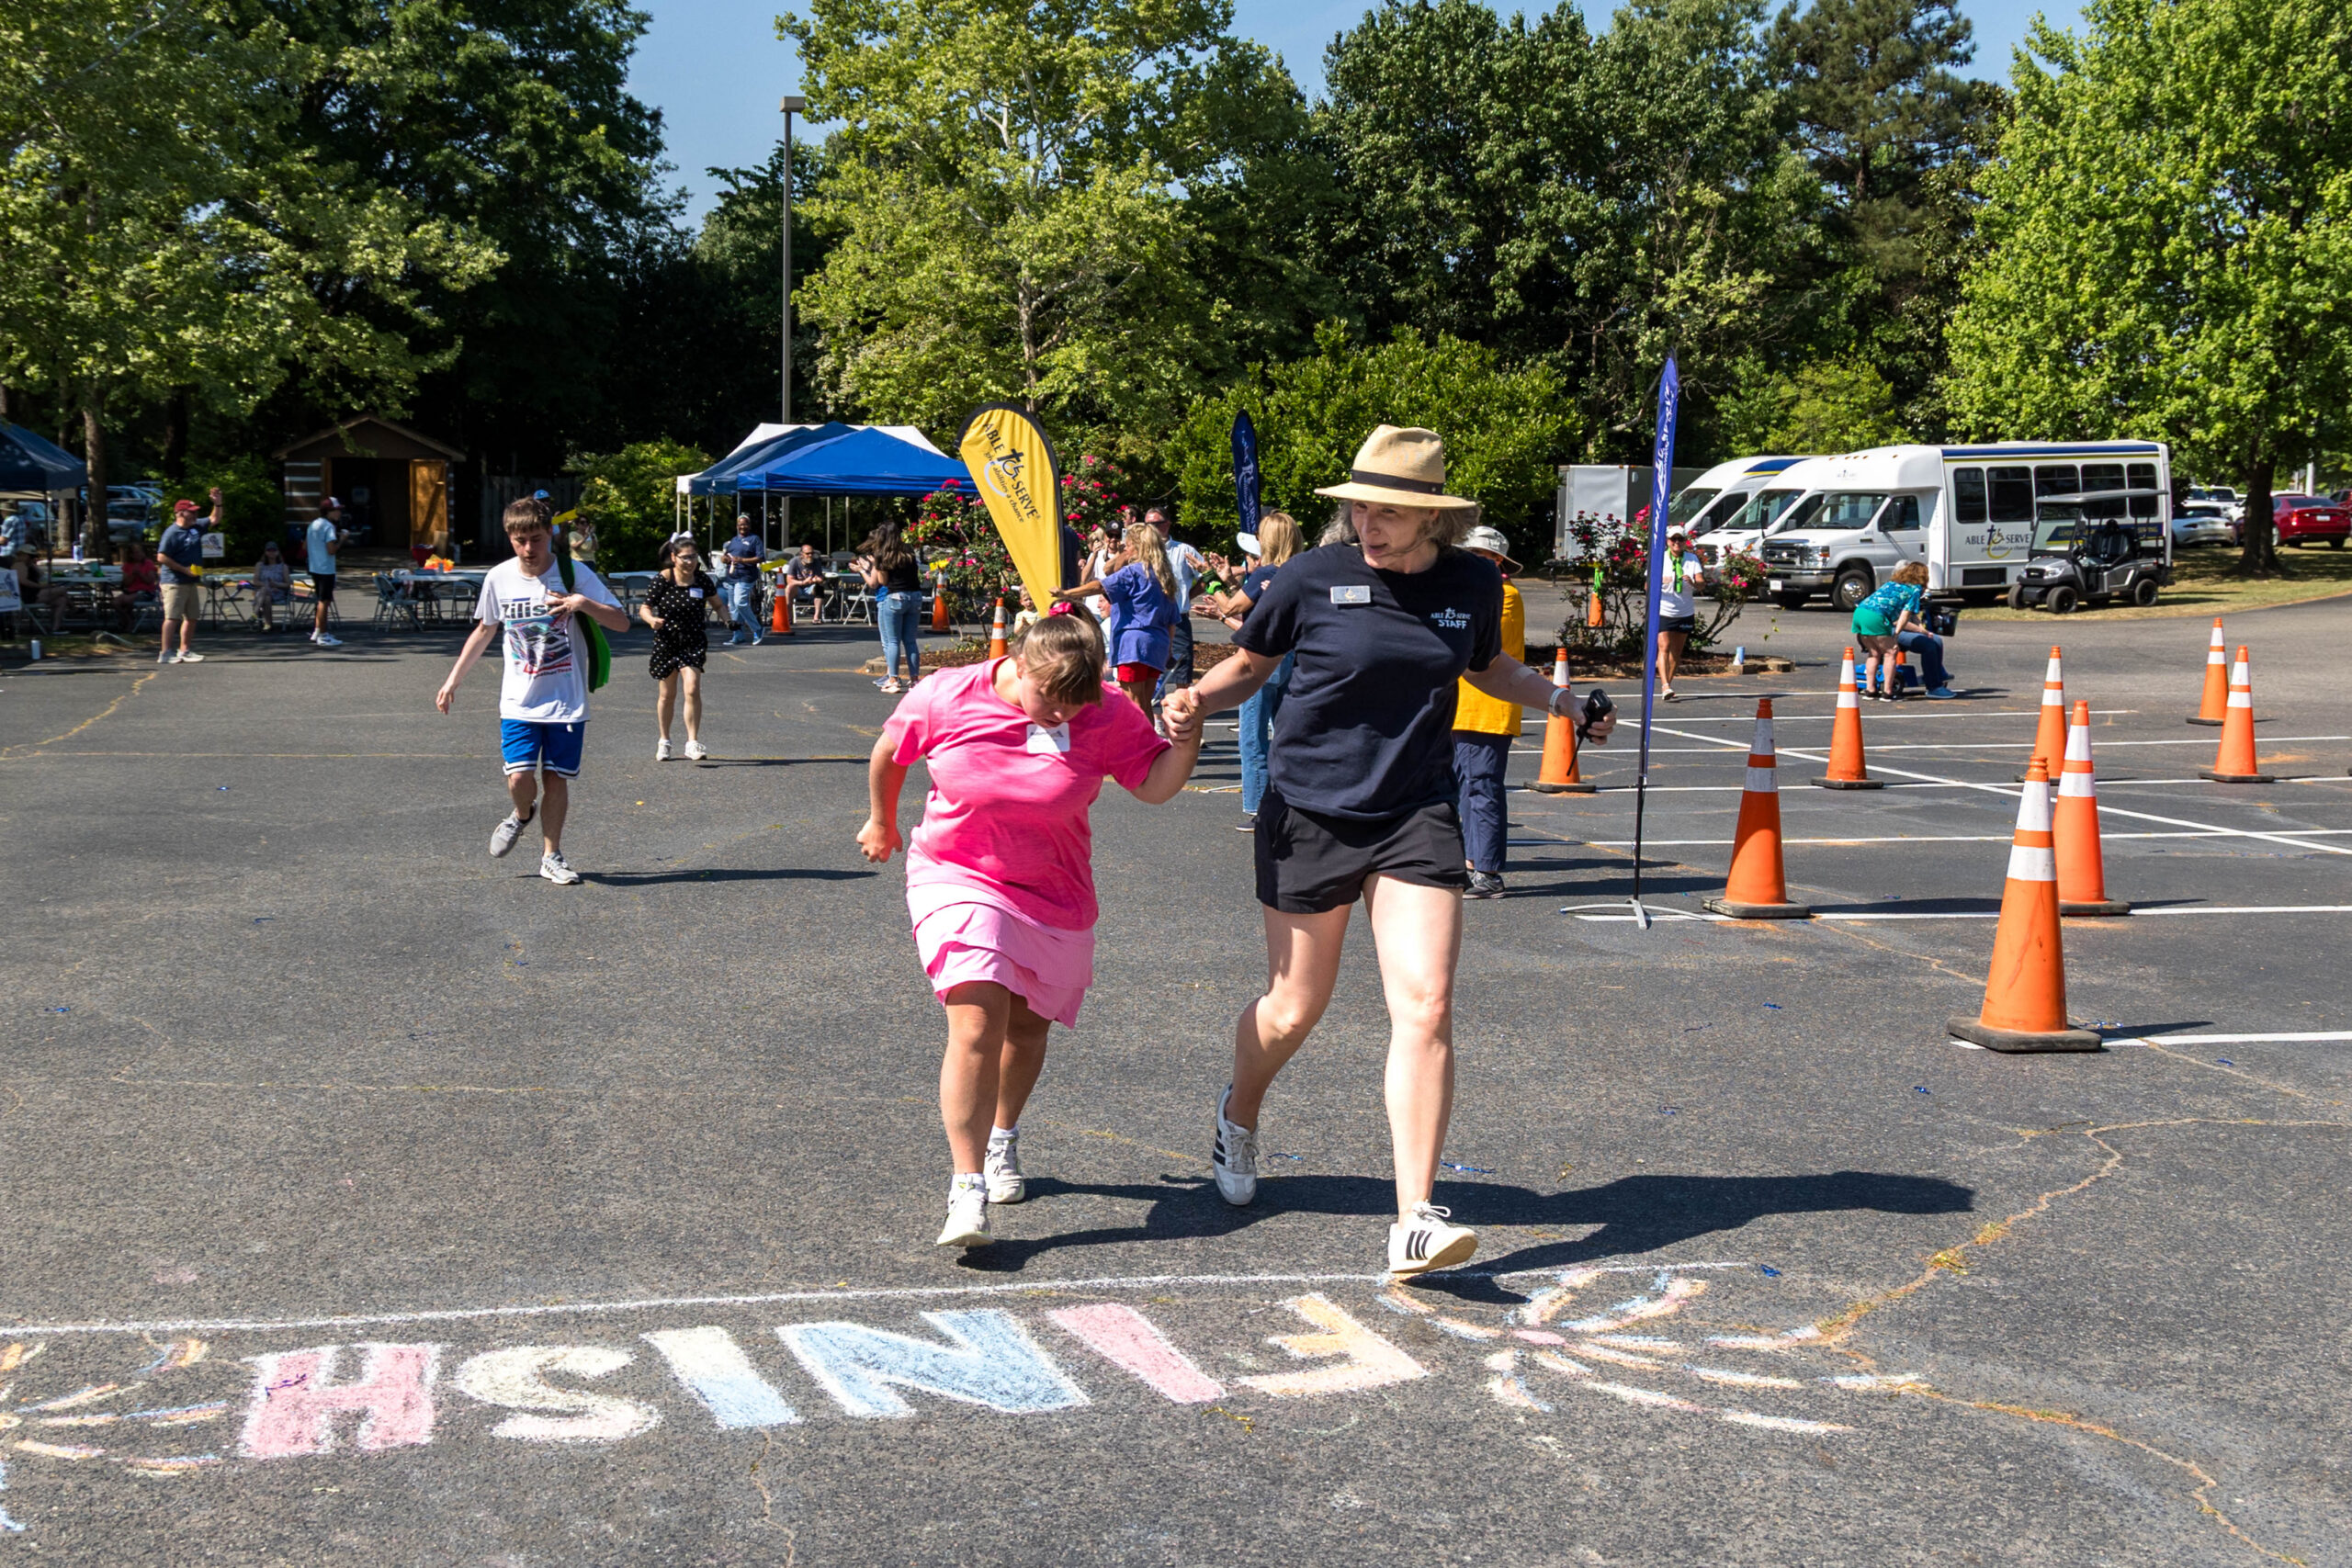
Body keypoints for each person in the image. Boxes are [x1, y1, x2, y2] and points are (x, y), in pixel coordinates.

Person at [1163, 425, 1616, 1277]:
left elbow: (1489, 667)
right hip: (1311, 810)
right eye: (1362, 508)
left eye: (1390, 512)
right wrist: (1192, 698)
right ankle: (1239, 1112)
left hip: (1415, 810)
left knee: (1427, 1003)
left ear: (1432, 518)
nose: (1369, 524)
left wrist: (1560, 701)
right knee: (1293, 1008)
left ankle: (1415, 1215)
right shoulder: (1311, 576)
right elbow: (1251, 665)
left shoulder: (1472, 584)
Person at [856, 611, 1204, 1247]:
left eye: (1076, 701)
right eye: (1051, 697)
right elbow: (889, 750)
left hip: (1053, 891)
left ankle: (1001, 1136)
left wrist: (1186, 740)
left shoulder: (1104, 710)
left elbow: (1154, 787)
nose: (1063, 713)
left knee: (1026, 1028)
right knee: (977, 1018)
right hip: (956, 873)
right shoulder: (948, 694)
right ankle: (966, 1188)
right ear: (1019, 664)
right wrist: (881, 820)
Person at [434, 497, 629, 886]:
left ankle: (551, 856)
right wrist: (453, 678)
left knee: (556, 778)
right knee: (519, 778)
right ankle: (523, 814)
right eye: (520, 540)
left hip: (565, 700)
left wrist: (582, 603)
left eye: (536, 539)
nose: (528, 548)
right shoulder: (499, 577)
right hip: (518, 700)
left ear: (550, 534)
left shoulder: (573, 573)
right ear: (509, 537)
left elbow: (621, 622)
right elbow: (485, 629)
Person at [1198, 512, 1305, 830]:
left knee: (1253, 739)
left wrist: (1211, 580)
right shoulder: (1297, 572)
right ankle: (1292, 804)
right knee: (1286, 737)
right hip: (1290, 657)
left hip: (1260, 661)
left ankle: (1259, 808)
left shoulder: (1267, 572)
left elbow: (1231, 606)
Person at [1451, 522, 1525, 899]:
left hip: (1487, 707)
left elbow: (1477, 642)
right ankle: (1471, 862)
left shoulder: (1504, 595)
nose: (1469, 562)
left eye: (1479, 556)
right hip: (1462, 705)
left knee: (1482, 787)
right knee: (1464, 787)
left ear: (1497, 560)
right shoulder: (1477, 591)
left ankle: (1488, 870)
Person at [1056, 523, 1176, 714]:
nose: (1124, 548)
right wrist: (1168, 650)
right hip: (1157, 644)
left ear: (1138, 547)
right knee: (1145, 703)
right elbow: (1172, 621)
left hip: (1133, 645)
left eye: (1128, 545)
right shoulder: (1163, 576)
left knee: (1134, 704)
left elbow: (1100, 585)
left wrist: (1066, 593)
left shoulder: (1133, 572)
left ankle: (1136, 735)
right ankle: (1148, 734)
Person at [640, 536, 719, 760]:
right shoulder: (663, 579)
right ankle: (664, 740)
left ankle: (693, 742)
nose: (690, 562)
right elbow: (645, 608)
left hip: (693, 641)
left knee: (692, 689)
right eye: (685, 557)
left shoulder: (702, 580)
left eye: (693, 557)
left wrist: (729, 620)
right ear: (674, 557)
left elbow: (718, 604)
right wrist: (651, 620)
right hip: (667, 642)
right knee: (667, 695)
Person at [1852, 560, 1953, 699]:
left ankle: (1871, 690)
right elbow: (1904, 616)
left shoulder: (1892, 585)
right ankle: (1889, 692)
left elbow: (1910, 615)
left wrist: (1921, 630)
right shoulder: (1915, 590)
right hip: (1879, 620)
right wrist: (1898, 634)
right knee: (1892, 652)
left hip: (1860, 614)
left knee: (1874, 653)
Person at [854, 525, 923, 694]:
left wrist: (871, 567)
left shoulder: (883, 555)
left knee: (893, 641)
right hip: (915, 596)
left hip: (895, 597)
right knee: (910, 641)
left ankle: (893, 680)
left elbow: (882, 582)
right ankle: (915, 680)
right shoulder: (908, 552)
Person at [1150, 508, 1206, 707]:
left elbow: (1206, 576)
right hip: (1151, 618)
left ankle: (1183, 711)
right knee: (1151, 667)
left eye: (1155, 524)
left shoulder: (1184, 551)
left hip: (1178, 618)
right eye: (1147, 525)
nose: (1151, 529)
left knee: (1181, 667)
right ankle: (1155, 714)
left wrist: (1187, 596)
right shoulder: (1140, 552)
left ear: (1167, 524)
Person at [156, 494, 214, 664]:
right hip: (174, 582)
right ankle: (165, 653)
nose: (195, 515)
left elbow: (214, 519)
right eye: (192, 512)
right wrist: (184, 570)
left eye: (196, 512)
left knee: (192, 617)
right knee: (172, 617)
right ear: (181, 513)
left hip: (190, 581)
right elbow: (161, 557)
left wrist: (218, 503)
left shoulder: (195, 527)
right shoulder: (172, 533)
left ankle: (184, 651)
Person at [1656, 525, 1702, 701]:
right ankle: (1665, 685)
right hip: (1664, 610)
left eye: (1680, 539)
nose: (1676, 542)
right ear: (1667, 541)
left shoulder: (1691, 559)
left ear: (1685, 541)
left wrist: (1693, 582)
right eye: (1673, 539)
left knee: (1676, 652)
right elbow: (1646, 586)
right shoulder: (1660, 558)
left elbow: (1702, 584)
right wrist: (1660, 581)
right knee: (1664, 647)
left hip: (1684, 611)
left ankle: (1667, 685)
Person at [719, 514, 765, 647]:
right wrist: (724, 559)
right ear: (737, 526)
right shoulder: (734, 540)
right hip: (732, 577)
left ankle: (757, 628)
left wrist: (743, 560)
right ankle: (738, 636)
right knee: (734, 608)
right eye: (740, 524)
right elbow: (727, 556)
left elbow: (760, 557)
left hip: (746, 576)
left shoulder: (754, 539)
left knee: (740, 602)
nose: (742, 527)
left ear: (749, 526)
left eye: (745, 524)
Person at [306, 496, 344, 649]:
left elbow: (304, 546)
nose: (339, 513)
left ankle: (317, 630)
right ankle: (323, 635)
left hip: (314, 567)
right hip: (325, 569)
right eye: (337, 510)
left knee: (320, 600)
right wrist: (343, 539)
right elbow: (331, 550)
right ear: (329, 511)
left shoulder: (313, 524)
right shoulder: (328, 526)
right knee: (324, 601)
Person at [112, 542, 159, 633]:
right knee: (115, 603)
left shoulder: (148, 564)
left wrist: (140, 574)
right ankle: (128, 619)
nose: (139, 554)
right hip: (131, 591)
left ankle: (129, 624)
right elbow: (126, 583)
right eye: (136, 553)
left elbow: (150, 581)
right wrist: (133, 575)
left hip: (146, 592)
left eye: (141, 552)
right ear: (131, 555)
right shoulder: (128, 565)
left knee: (128, 602)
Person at [252, 542, 292, 632]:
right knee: (266, 597)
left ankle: (255, 614)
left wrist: (276, 584)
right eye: (269, 550)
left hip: (277, 592)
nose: (271, 552)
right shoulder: (260, 565)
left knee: (265, 593)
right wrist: (267, 585)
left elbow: (287, 584)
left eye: (274, 550)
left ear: (277, 552)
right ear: (265, 552)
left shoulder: (283, 567)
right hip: (263, 592)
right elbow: (255, 581)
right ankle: (268, 624)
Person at [784, 542, 826, 621]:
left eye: (812, 553)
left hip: (811, 587)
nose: (810, 555)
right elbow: (789, 580)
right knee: (789, 588)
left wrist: (819, 579)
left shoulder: (816, 562)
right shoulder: (794, 561)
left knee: (820, 588)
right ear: (801, 554)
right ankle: (789, 617)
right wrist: (803, 582)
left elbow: (820, 577)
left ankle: (816, 617)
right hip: (798, 587)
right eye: (807, 553)